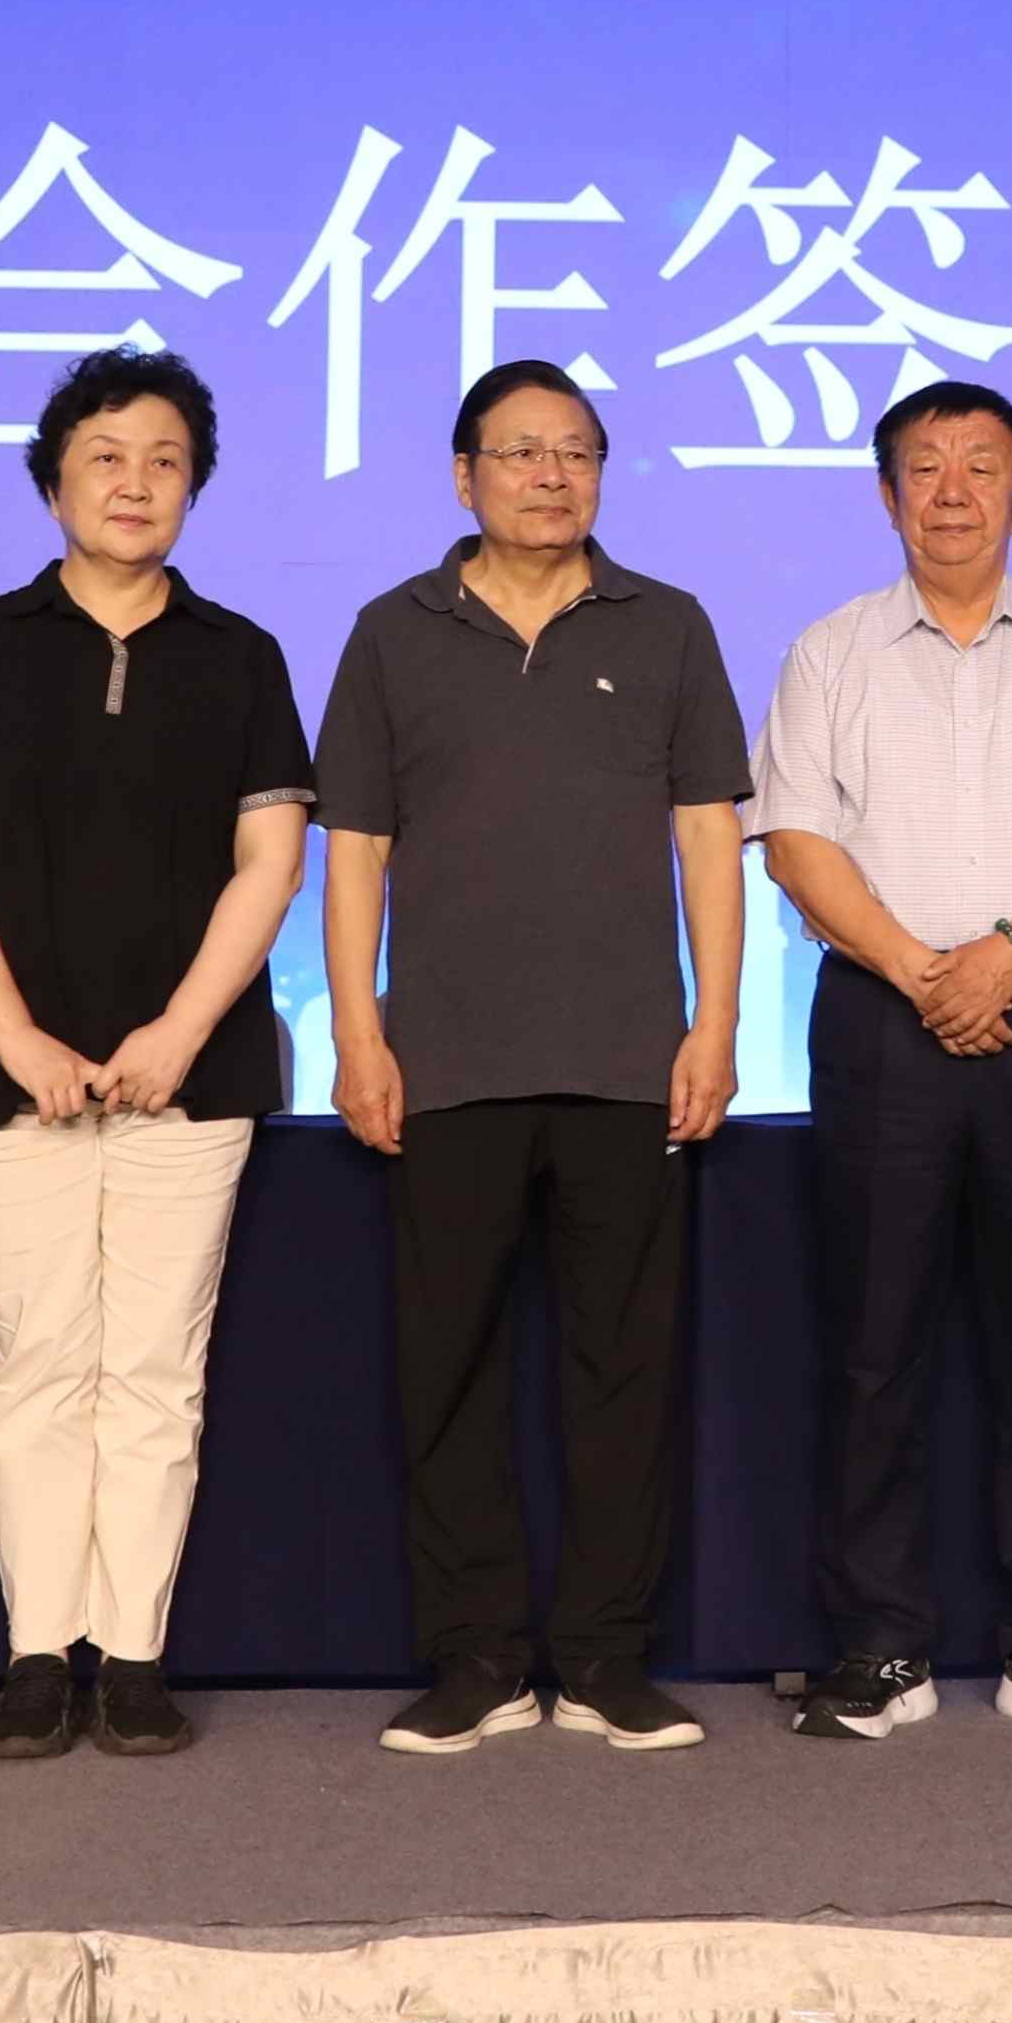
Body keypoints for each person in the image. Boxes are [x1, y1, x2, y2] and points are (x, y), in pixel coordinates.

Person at [316, 361, 754, 1758]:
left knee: (622, 1374)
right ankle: (480, 1658)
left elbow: (709, 836)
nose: (551, 474)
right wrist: (358, 1032)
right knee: (447, 1370)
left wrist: (717, 1023)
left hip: (627, 1059)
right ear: (464, 476)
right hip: (445, 1062)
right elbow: (356, 850)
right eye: (520, 452)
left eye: (576, 451)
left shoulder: (667, 623)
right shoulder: (394, 630)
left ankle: (609, 1657)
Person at [0, 344, 312, 1766]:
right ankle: (35, 1654)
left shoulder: (240, 654)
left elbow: (270, 864)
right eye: (107, 458)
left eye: (165, 462)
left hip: (193, 1073)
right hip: (9, 1074)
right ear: (53, 481)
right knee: (36, 1359)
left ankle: (130, 1655)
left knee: (153, 1367)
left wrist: (177, 1032)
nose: (136, 484)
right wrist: (17, 1038)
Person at [753, 379, 1012, 1742]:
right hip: (885, 1018)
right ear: (887, 496)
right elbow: (798, 841)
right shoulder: (830, 650)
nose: (951, 491)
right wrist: (928, 973)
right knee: (875, 1340)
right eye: (924, 467)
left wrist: (1011, 955)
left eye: (980, 467)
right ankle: (881, 1641)